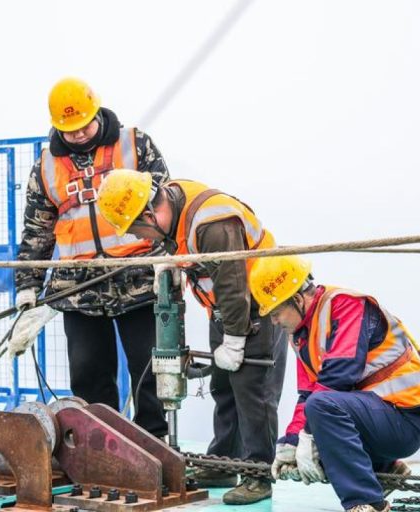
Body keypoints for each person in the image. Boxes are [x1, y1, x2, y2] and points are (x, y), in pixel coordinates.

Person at [96, 169, 288, 505]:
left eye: (138, 228)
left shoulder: (212, 223)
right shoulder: (175, 201)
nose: (143, 237)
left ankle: (258, 476)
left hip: (262, 307)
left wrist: (235, 339)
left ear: (149, 213)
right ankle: (222, 463)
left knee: (253, 393)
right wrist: (169, 265)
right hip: (227, 310)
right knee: (224, 388)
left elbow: (233, 285)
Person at [9, 77, 168, 438]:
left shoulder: (135, 145)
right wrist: (27, 287)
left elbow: (164, 204)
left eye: (84, 126)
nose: (79, 135)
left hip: (139, 282)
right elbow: (37, 231)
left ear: (96, 113)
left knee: (151, 371)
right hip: (79, 289)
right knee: (88, 374)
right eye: (70, 130)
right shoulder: (46, 166)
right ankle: (103, 448)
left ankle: (155, 444)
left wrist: (165, 261)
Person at [248, 255, 420, 512]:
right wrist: (291, 442)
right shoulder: (301, 336)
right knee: (317, 416)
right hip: (377, 420)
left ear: (297, 299)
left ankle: (367, 503)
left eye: (276, 313)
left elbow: (339, 376)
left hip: (403, 420)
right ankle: (384, 468)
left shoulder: (346, 306)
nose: (274, 322)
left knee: (321, 413)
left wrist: (308, 437)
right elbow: (307, 395)